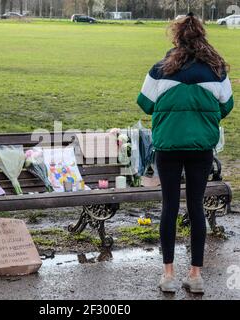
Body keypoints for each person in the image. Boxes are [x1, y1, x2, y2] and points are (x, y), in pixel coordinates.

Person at [137, 12, 233, 294]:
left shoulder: (159, 69)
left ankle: (167, 275)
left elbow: (144, 103)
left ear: (176, 38)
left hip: (167, 147)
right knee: (196, 209)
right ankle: (195, 275)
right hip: (201, 148)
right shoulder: (216, 71)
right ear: (202, 37)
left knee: (169, 207)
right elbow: (226, 107)